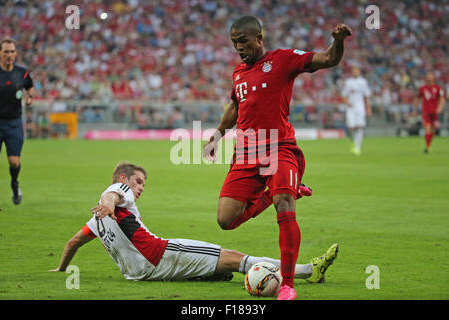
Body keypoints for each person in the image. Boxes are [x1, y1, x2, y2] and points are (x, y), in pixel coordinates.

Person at [202, 16, 351, 300]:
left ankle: (288, 284)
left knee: (285, 204)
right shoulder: (239, 73)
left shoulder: (283, 60)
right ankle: (282, 191)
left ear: (259, 37)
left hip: (278, 147)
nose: (239, 48)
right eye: (234, 43)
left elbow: (329, 59)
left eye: (243, 41)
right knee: (226, 220)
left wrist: (338, 41)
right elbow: (236, 106)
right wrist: (217, 136)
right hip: (245, 153)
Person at [49, 162, 339, 292]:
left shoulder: (93, 222)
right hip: (161, 254)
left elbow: (72, 243)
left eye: (142, 185)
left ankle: (208, 274)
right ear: (124, 178)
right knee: (236, 259)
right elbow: (111, 194)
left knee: (221, 267)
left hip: (138, 276)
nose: (140, 189)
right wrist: (110, 203)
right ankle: (308, 271)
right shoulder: (117, 190)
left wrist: (62, 268)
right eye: (139, 182)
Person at [0, 38, 34, 204]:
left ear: (16, 53)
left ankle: (14, 183)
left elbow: (29, 86)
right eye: (6, 51)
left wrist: (29, 97)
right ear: (0, 53)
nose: (9, 55)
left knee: (14, 161)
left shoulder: (22, 73)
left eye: (12, 52)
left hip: (14, 123)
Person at [412, 71, 446, 153]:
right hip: (426, 112)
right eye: (428, 76)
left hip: (435, 112)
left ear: (433, 77)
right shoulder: (422, 88)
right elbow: (417, 99)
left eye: (430, 76)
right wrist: (415, 109)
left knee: (433, 131)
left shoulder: (438, 88)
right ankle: (427, 147)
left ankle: (428, 144)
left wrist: (440, 107)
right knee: (427, 129)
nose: (429, 78)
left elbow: (442, 99)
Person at [341, 65, 372, 156]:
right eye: (354, 70)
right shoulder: (348, 82)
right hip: (350, 108)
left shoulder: (363, 82)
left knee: (360, 126)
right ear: (351, 72)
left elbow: (366, 96)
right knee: (351, 127)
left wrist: (368, 108)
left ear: (359, 72)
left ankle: (357, 147)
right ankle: (354, 142)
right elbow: (344, 95)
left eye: (357, 70)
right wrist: (347, 102)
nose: (355, 72)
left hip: (360, 107)